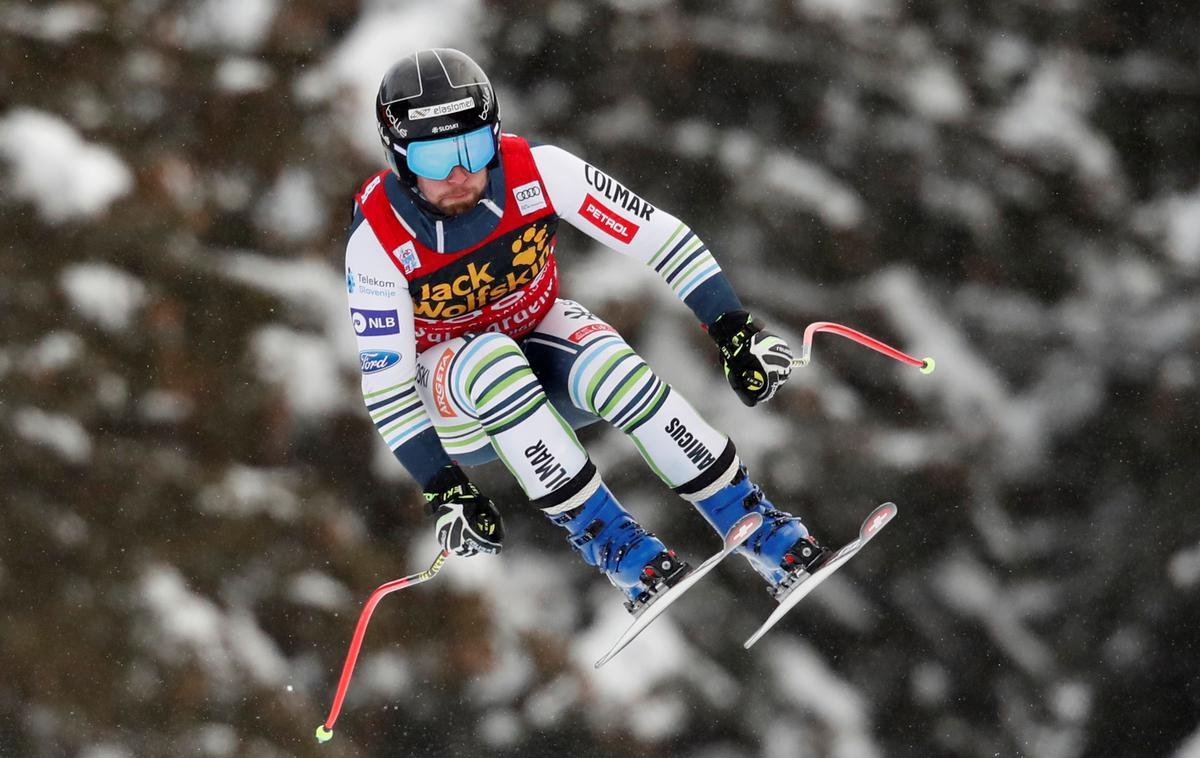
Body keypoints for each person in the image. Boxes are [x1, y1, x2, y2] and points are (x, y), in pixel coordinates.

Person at [345, 48, 829, 615]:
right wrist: (443, 487)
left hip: (537, 347)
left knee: (611, 364)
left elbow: (658, 237)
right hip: (457, 402)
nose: (458, 173)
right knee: (492, 358)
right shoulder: (377, 241)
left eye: (473, 148)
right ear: (399, 158)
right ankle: (620, 550)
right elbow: (387, 388)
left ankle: (765, 533)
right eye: (432, 157)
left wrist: (733, 330)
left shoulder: (539, 170)